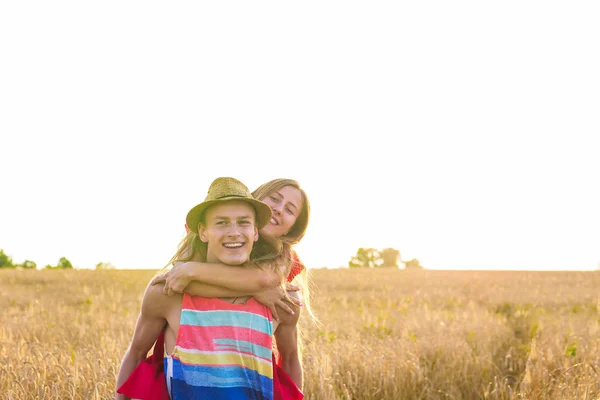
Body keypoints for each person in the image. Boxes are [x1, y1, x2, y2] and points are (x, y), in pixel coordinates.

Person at [115, 177, 300, 399]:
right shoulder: (168, 291)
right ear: (203, 232)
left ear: (256, 232)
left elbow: (289, 360)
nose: (234, 232)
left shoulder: (280, 299)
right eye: (221, 222)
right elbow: (136, 354)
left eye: (243, 222)